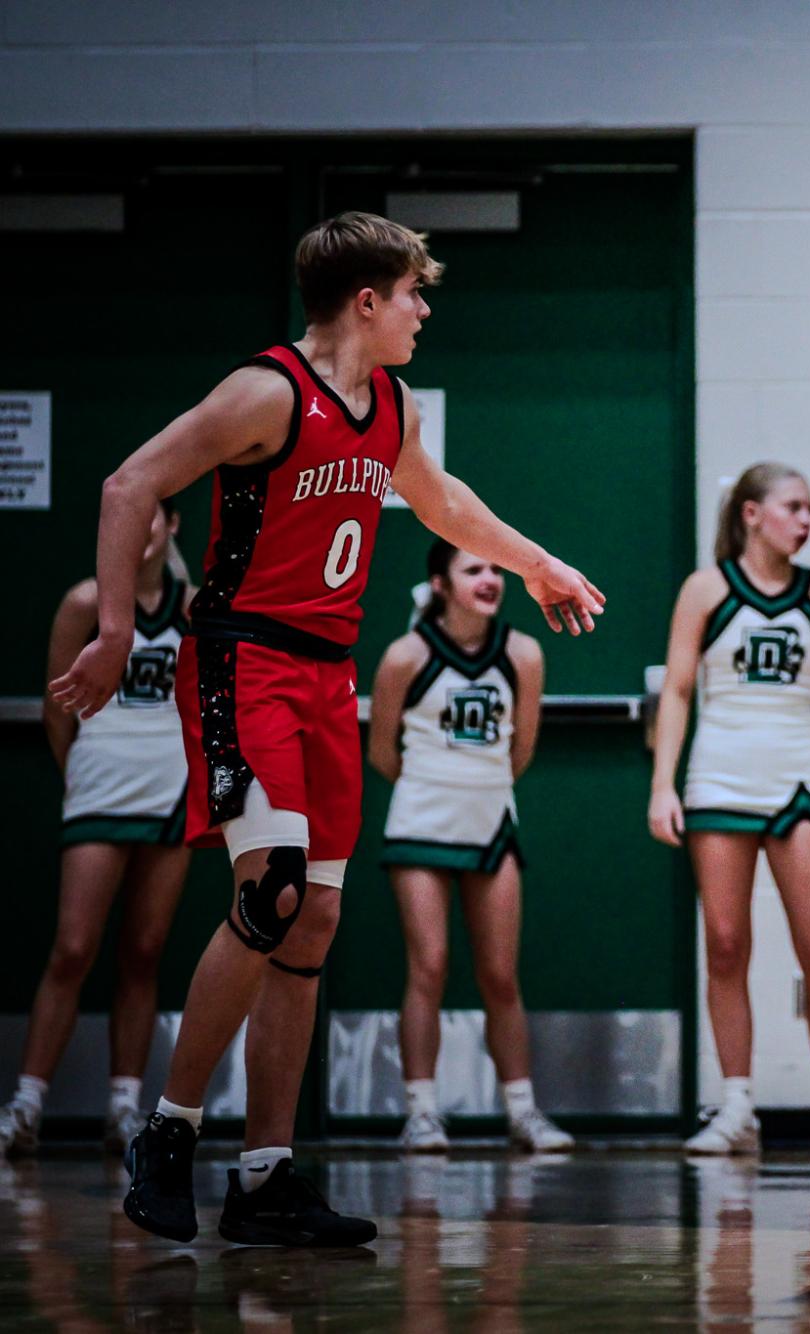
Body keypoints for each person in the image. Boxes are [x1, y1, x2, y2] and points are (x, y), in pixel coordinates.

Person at [50, 211, 603, 1247]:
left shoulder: (389, 405)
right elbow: (130, 483)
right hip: (240, 658)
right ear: (366, 301)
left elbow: (442, 506)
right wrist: (120, 629)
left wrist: (534, 561)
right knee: (270, 892)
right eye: (412, 293)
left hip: (323, 673)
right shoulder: (266, 392)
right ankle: (167, 1134)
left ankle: (266, 1176)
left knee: (311, 925)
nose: (423, 310)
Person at [647, 463, 810, 1155]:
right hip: (719, 779)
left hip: (797, 779)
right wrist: (662, 785)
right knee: (726, 946)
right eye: (793, 506)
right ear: (751, 514)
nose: (805, 520)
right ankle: (737, 1109)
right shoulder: (705, 589)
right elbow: (675, 692)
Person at [368, 540, 576, 1155]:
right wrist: (437, 788)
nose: (489, 579)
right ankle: (422, 1113)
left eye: (495, 569)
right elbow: (382, 753)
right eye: (473, 569)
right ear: (439, 583)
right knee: (428, 968)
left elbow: (523, 749)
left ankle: (522, 1112)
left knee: (500, 976)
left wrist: (478, 788)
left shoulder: (524, 654)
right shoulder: (404, 657)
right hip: (420, 825)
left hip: (491, 826)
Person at [2, 500, 194, 1159]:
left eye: (153, 517)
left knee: (144, 951)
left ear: (170, 528)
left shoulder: (193, 606)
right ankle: (26, 1105)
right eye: (127, 515)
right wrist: (83, 771)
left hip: (171, 790)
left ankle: (123, 1106)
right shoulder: (84, 602)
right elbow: (60, 712)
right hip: (100, 788)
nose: (139, 528)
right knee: (73, 948)